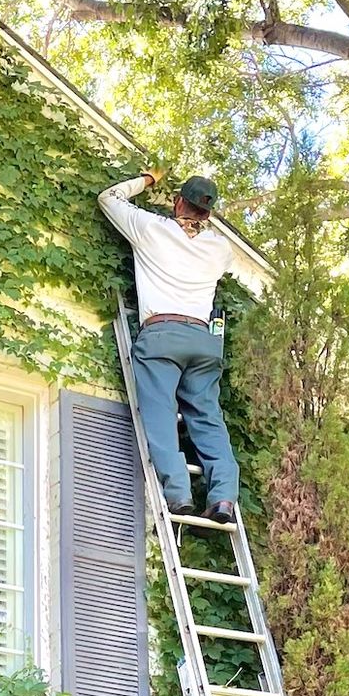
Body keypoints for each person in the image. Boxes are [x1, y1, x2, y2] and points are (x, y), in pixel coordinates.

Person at [98, 169, 241, 524]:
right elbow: (210, 241)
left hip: (162, 335)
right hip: (204, 340)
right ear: (207, 213)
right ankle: (223, 496)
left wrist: (148, 179)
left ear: (178, 201)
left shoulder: (151, 229)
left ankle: (178, 493)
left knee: (160, 414)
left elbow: (108, 199)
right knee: (207, 418)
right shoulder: (219, 248)